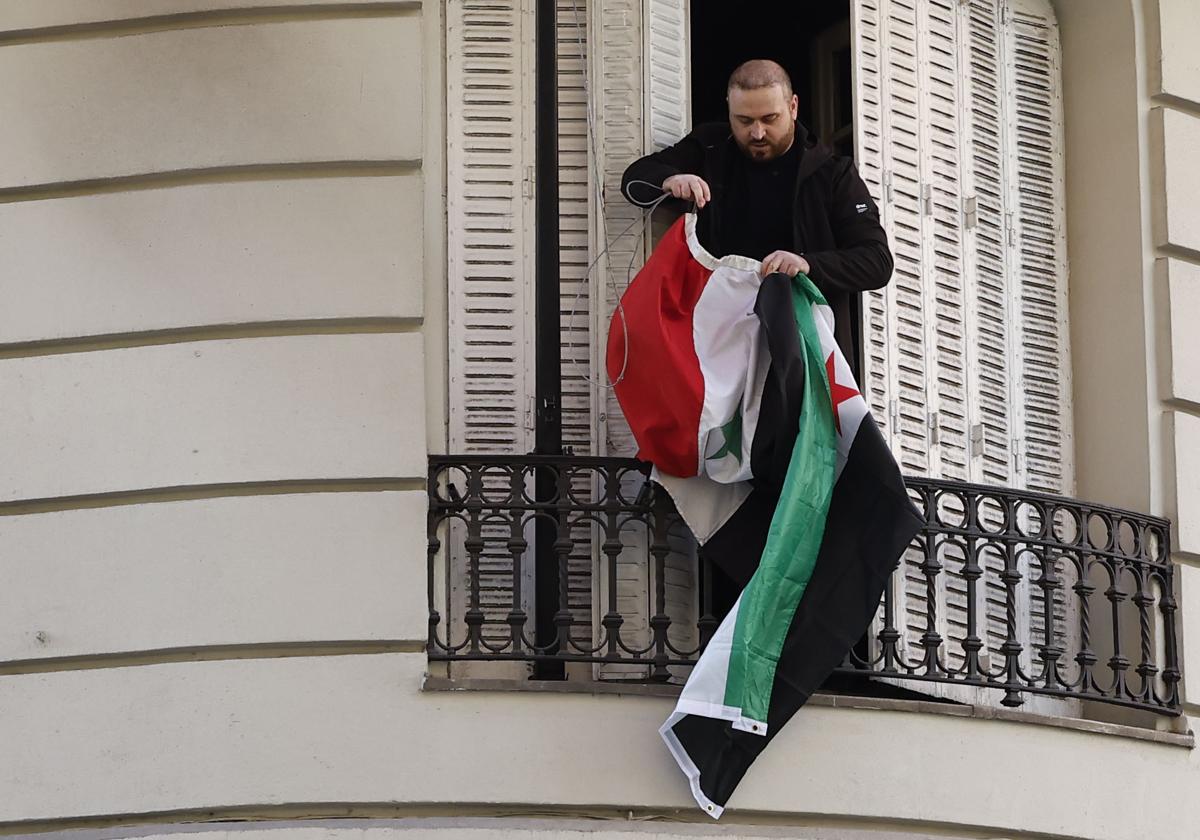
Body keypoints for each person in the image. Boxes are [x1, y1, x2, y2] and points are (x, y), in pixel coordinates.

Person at [621, 59, 893, 373]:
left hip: (803, 352)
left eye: (769, 118)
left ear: (793, 107)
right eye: (744, 120)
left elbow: (877, 262)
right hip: (719, 343)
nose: (757, 133)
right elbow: (635, 179)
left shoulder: (832, 173)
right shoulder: (711, 146)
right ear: (729, 111)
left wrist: (806, 263)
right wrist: (669, 180)